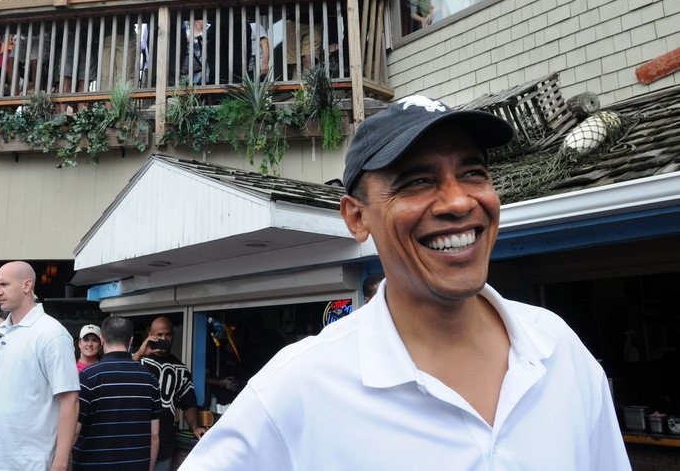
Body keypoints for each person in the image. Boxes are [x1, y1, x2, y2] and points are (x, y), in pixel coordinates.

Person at [180, 94, 630, 470]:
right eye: (416, 181)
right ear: (357, 218)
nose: (458, 201)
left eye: (473, 172)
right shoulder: (297, 389)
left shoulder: (559, 351)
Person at [0, 261, 79, 471]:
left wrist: (59, 464)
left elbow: (70, 401)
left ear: (26, 285)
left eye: (3, 284)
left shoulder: (52, 334)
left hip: (27, 465)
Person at [72, 316, 161, 471]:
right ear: (131, 340)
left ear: (102, 339)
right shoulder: (150, 379)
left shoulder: (87, 377)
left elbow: (74, 431)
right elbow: (154, 435)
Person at [133, 316, 205, 471]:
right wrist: (140, 353)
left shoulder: (180, 369)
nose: (164, 338)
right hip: (135, 443)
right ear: (150, 334)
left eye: (168, 334)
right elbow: (119, 374)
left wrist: (195, 427)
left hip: (164, 445)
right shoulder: (138, 361)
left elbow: (188, 402)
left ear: (173, 335)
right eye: (159, 335)